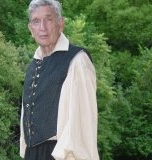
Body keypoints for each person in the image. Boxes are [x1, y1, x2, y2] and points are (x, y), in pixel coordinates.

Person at [20, 0, 100, 159]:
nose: (42, 27)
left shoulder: (77, 60)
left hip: (61, 154)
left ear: (60, 23)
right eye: (36, 21)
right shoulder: (33, 64)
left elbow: (83, 123)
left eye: (48, 19)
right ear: (31, 29)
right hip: (33, 153)